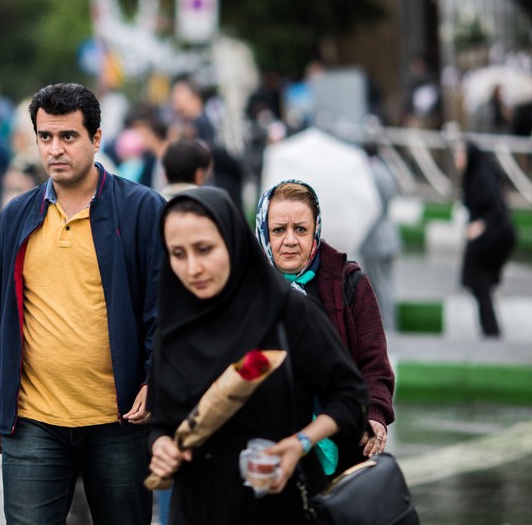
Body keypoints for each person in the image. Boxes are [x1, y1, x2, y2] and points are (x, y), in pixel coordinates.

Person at [0, 83, 163, 525]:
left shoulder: (142, 210)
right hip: (33, 422)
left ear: (96, 139)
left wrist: (156, 379)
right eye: (45, 137)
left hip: (118, 421)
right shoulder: (17, 216)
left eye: (68, 137)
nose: (55, 149)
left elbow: (161, 309)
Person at [148, 188, 368, 524]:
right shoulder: (176, 322)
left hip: (277, 506)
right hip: (197, 509)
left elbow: (350, 396)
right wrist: (161, 444)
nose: (193, 268)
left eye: (205, 249)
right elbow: (162, 419)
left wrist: (300, 443)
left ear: (233, 243)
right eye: (178, 253)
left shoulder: (285, 311)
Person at [254, 180, 394, 473]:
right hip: (265, 445)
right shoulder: (247, 290)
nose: (290, 240)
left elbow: (375, 364)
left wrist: (375, 414)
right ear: (264, 232)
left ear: (316, 229)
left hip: (340, 441)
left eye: (300, 229)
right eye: (279, 230)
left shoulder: (348, 282)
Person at [455, 141, 517, 337]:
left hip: (494, 238)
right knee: (479, 283)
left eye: (460, 154)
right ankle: (489, 328)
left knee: (479, 280)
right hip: (489, 238)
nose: (457, 159)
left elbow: (498, 208)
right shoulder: (475, 174)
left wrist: (480, 224)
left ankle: (491, 330)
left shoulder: (482, 178)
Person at [358, 140, 403, 331]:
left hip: (375, 237)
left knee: (378, 285)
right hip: (388, 233)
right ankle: (390, 324)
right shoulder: (386, 170)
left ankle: (386, 326)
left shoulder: (369, 174)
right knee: (388, 284)